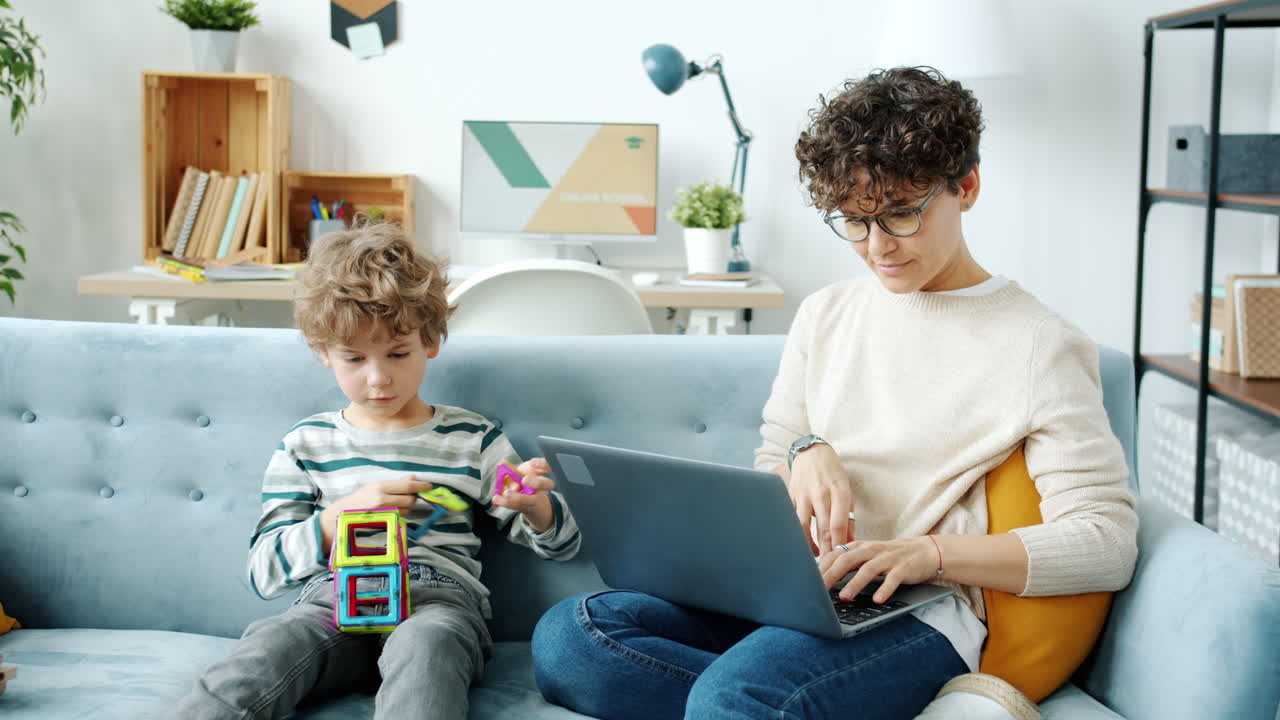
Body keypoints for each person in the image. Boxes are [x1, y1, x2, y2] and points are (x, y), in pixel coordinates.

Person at [531, 66, 1138, 720]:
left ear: (967, 186)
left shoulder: (1039, 343)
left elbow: (1105, 540)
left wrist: (929, 554)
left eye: (901, 214)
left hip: (920, 611)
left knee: (732, 698)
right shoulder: (824, 314)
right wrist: (805, 449)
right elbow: (774, 459)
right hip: (796, 591)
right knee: (573, 638)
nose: (878, 247)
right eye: (853, 221)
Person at [171, 223, 581, 720]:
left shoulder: (472, 439)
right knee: (271, 643)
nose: (379, 377)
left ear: (430, 341)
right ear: (324, 352)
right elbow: (264, 572)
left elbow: (563, 544)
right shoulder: (308, 444)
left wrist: (535, 506)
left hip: (438, 604)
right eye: (353, 358)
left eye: (398, 353)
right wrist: (335, 518)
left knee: (427, 645)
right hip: (332, 607)